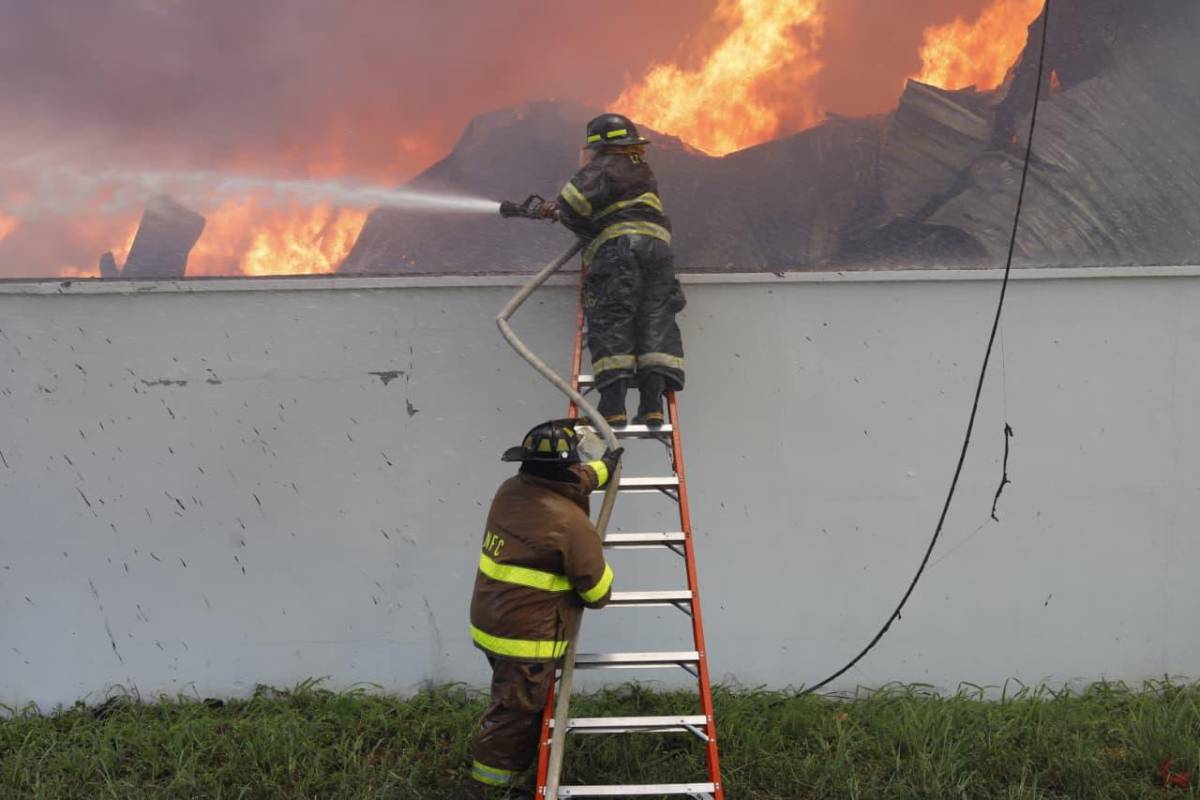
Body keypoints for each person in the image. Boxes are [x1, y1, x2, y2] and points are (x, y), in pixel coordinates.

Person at [460, 419, 622, 798]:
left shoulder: (512, 490)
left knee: (510, 700)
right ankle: (488, 787)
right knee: (514, 714)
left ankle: (511, 771)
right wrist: (594, 555)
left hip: (491, 619)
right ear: (566, 467)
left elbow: (569, 481)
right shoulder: (570, 524)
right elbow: (598, 594)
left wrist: (603, 469)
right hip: (526, 640)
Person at [536, 113, 686, 428]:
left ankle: (613, 406)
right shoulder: (643, 169)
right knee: (655, 320)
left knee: (612, 318)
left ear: (601, 145)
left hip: (621, 252)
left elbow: (574, 202)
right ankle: (652, 405)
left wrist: (555, 208)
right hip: (658, 252)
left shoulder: (603, 166)